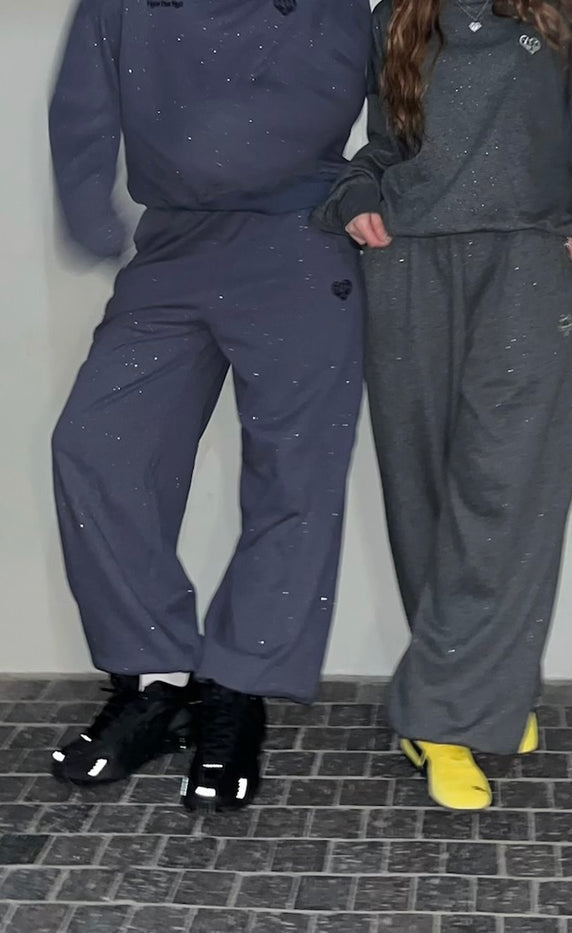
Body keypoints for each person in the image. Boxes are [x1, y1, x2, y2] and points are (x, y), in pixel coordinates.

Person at [314, 0, 572, 810]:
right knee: (422, 490)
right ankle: (472, 696)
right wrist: (359, 194)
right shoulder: (398, 19)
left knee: (510, 494)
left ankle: (445, 713)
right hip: (408, 267)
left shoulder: (561, 20)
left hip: (527, 265)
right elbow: (383, 148)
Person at [48, 0, 371, 811]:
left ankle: (236, 691)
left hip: (303, 241)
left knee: (293, 479)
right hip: (173, 245)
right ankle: (157, 681)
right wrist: (90, 209)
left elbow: (359, 90)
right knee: (96, 446)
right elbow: (83, 93)